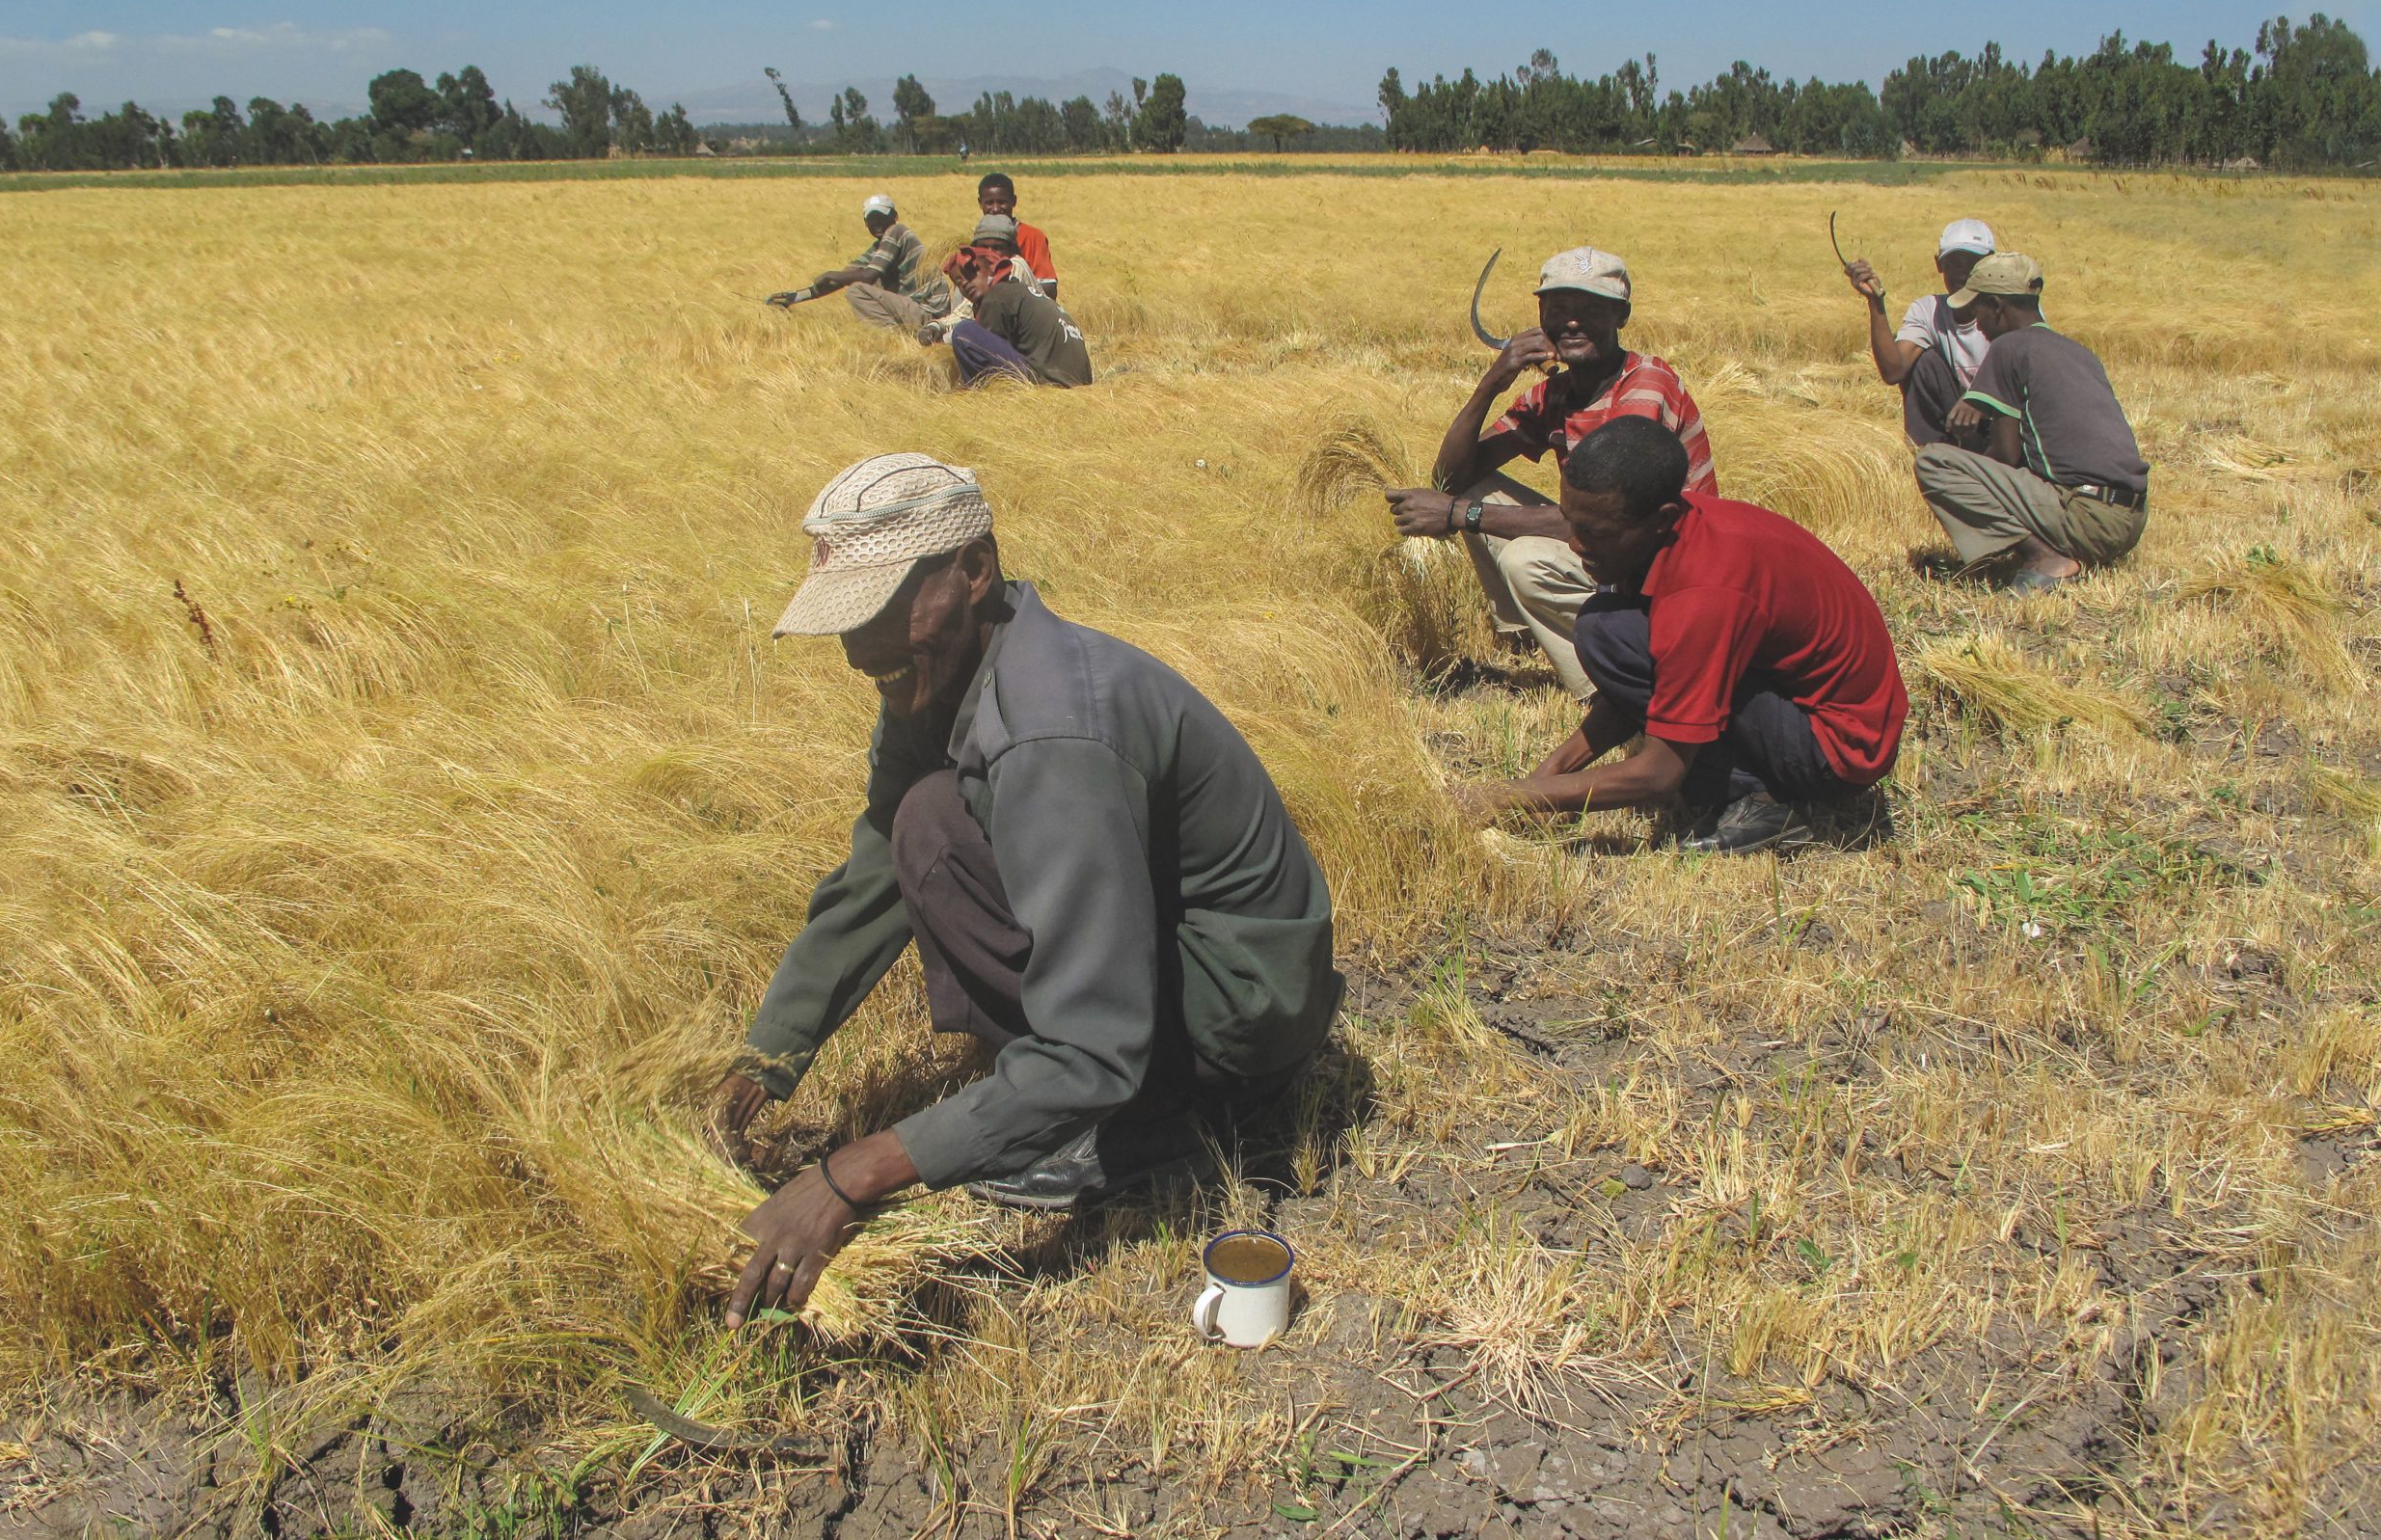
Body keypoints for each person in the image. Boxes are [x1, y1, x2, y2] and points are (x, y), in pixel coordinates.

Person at [713, 454, 1338, 1315]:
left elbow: (1092, 1046)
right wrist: (764, 1062)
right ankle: (1089, 1097)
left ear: (975, 571)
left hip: (1243, 1011)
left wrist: (855, 1174)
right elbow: (869, 882)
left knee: (1068, 1039)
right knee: (924, 821)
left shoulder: (1051, 731)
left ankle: (1157, 1123)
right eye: (849, 621)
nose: (862, 651)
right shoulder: (935, 679)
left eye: (889, 608)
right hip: (1177, 959)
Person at [1453, 418, 1907, 855]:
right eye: (1571, 522)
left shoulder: (1705, 592)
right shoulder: (1669, 533)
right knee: (1604, 631)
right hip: (1794, 700)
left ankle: (1765, 802)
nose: (1575, 544)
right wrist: (1551, 773)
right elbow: (1646, 682)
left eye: (1595, 533)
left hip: (1837, 749)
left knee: (1611, 638)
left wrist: (1511, 796)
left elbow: (1659, 774)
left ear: (1660, 517)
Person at [1383, 247, 1715, 698]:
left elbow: (1602, 518)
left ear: (1621, 315)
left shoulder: (1645, 386)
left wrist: (1461, 515)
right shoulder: (1555, 394)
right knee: (1474, 487)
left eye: (1591, 308)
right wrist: (1492, 382)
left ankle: (1609, 691)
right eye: (1558, 307)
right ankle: (1526, 634)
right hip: (1615, 552)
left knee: (1525, 560)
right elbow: (1451, 478)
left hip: (1672, 573)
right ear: (1540, 314)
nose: (1571, 322)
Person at [1915, 252, 2148, 594]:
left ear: (1996, 306)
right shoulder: (2077, 351)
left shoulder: (2010, 347)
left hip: (2087, 517)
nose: (1974, 322)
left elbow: (2006, 455)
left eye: (1975, 309)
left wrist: (1968, 457)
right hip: (2130, 521)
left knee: (1934, 462)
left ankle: (2045, 558)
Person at [1844, 217, 1995, 447]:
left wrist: (1979, 398)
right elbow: (1894, 370)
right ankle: (1927, 455)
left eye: (1973, 263)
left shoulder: (2007, 308)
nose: (1963, 273)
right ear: (1939, 265)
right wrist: (1876, 303)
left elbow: (2024, 375)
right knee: (1923, 363)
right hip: (1957, 421)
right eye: (1954, 263)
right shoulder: (1929, 310)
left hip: (2002, 423)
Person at [927, 219, 1093, 388]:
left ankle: (975, 396)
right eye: (959, 283)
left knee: (964, 333)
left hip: (1049, 382)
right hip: (1076, 383)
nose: (966, 284)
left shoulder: (998, 295)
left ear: (992, 267)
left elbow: (982, 344)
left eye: (971, 273)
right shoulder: (1017, 291)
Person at [764, 194, 953, 333]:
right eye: (871, 220)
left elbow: (869, 275)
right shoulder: (878, 249)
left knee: (857, 290)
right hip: (917, 310)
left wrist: (829, 274)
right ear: (865, 223)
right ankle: (899, 336)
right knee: (858, 283)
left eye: (882, 218)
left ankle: (893, 337)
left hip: (931, 313)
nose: (877, 224)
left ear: (894, 217)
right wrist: (796, 297)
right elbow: (843, 278)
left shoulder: (897, 232)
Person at [977, 173, 1059, 300]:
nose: (996, 209)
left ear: (1014, 201)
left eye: (1002, 202)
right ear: (980, 203)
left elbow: (1049, 287)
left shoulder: (1033, 237)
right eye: (989, 203)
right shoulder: (979, 238)